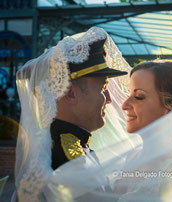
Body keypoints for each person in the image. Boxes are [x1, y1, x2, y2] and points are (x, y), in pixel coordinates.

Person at [14, 27, 131, 201]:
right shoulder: (68, 159)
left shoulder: (65, 146)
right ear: (71, 94)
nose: (108, 99)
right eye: (103, 88)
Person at [114, 60, 172, 201]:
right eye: (128, 94)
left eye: (138, 97)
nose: (124, 105)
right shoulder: (133, 155)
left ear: (169, 106)